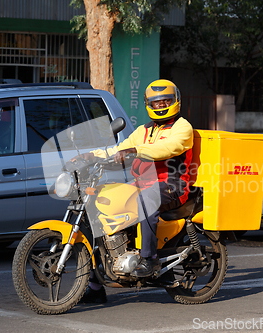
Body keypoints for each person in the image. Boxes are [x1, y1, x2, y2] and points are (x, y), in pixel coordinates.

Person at [80, 79, 194, 303]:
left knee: (147, 198)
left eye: (166, 101)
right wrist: (92, 156)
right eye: (156, 102)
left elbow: (168, 148)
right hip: (142, 183)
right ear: (148, 104)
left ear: (176, 101)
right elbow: (118, 149)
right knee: (98, 204)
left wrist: (136, 150)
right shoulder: (143, 131)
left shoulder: (182, 127)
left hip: (172, 184)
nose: (161, 106)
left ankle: (148, 258)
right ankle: (95, 284)